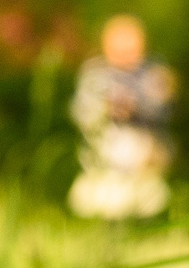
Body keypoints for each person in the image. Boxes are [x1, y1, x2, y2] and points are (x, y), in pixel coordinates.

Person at [67, 13, 177, 220]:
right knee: (103, 203)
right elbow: (80, 111)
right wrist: (103, 109)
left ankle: (144, 232)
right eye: (118, 49)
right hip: (104, 157)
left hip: (143, 157)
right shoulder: (94, 73)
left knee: (146, 202)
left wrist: (137, 107)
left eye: (131, 49)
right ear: (106, 46)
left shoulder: (153, 72)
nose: (125, 55)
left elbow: (164, 109)